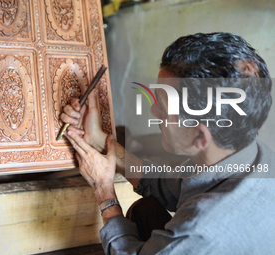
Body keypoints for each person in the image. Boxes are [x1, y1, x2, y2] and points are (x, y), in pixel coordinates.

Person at [61, 32, 275, 254]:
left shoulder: (199, 232)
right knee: (145, 211)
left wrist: (104, 190)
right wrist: (101, 141)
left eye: (163, 105)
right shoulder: (250, 154)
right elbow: (170, 185)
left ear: (200, 136)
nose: (154, 111)